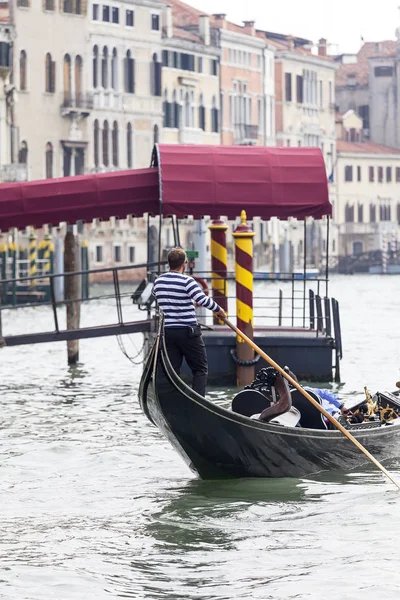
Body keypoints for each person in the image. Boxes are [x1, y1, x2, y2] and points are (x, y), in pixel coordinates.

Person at [153, 247, 227, 397]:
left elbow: (162, 298)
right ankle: (198, 400)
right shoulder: (187, 281)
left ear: (169, 263)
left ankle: (169, 399)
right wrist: (219, 310)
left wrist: (181, 304)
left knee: (172, 370)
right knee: (200, 369)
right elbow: (202, 299)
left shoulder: (158, 282)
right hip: (188, 331)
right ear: (184, 264)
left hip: (169, 332)